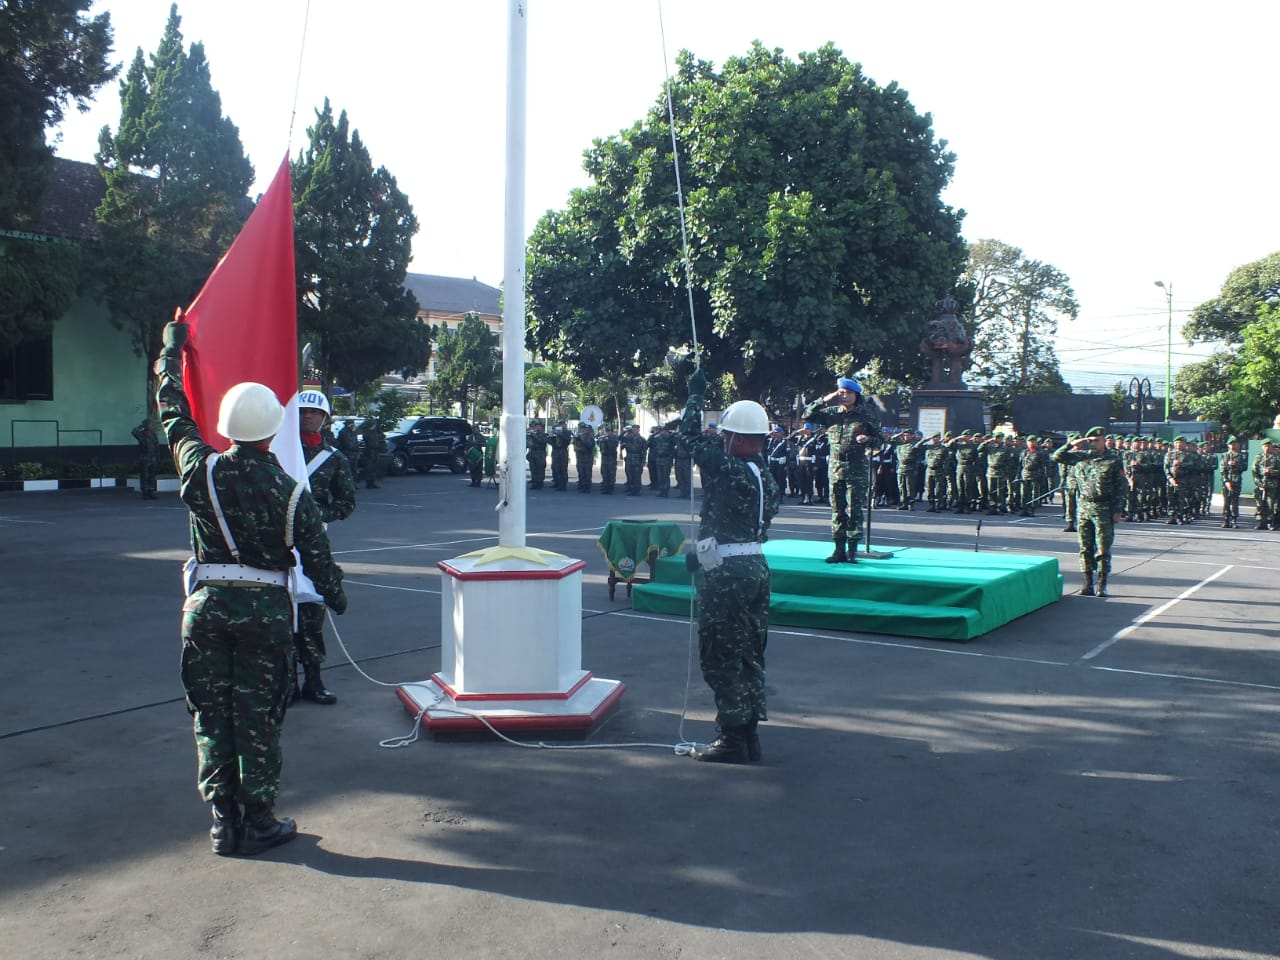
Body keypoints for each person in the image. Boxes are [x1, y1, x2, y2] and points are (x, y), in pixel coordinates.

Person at [154, 314, 346, 856]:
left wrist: (173, 350)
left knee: (212, 714)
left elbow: (173, 411)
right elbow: (319, 560)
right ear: (272, 429)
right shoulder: (290, 491)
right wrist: (336, 596)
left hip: (208, 607)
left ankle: (222, 820)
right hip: (263, 612)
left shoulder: (201, 470)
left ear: (227, 425)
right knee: (258, 716)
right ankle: (258, 819)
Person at [680, 368, 780, 763]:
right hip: (754, 565)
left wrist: (694, 397)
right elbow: (734, 535)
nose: (720, 441)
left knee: (720, 652)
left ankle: (733, 737)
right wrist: (700, 556)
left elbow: (687, 439)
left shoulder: (729, 468)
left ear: (738, 438)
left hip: (729, 576)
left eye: (725, 435)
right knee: (749, 651)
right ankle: (748, 732)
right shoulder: (765, 476)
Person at [293, 390, 357, 706]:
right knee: (279, 612)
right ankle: (285, 681)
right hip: (276, 541)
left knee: (311, 612)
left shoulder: (335, 459)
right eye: (303, 411)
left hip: (312, 544)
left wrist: (319, 514)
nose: (308, 416)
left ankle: (314, 680)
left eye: (315, 413)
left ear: (325, 419)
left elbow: (346, 503)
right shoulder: (281, 451)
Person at [803, 377, 884, 563]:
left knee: (855, 509)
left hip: (856, 467)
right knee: (837, 510)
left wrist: (868, 440)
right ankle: (838, 549)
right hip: (835, 467)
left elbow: (880, 438)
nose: (844, 396)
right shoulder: (832, 413)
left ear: (856, 395)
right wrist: (825, 399)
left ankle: (852, 551)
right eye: (841, 392)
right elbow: (807, 416)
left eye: (848, 393)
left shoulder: (867, 415)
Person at [1052, 426, 1129, 597]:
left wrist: (1118, 510)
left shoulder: (1114, 459)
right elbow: (1057, 457)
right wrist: (1072, 444)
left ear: (1104, 441)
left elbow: (1121, 487)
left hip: (1104, 508)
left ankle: (1102, 584)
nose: (1094, 444)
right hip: (1084, 507)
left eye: (1097, 440)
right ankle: (1087, 583)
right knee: (1085, 547)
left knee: (1102, 548)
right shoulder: (1081, 457)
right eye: (1091, 441)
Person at [1219, 436, 1247, 528]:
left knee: (1235, 501)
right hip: (1226, 482)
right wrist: (1226, 481)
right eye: (1231, 444)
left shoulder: (1241, 456)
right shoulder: (1225, 456)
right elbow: (1222, 470)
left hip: (1236, 481)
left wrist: (1236, 465)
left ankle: (1234, 520)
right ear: (1228, 445)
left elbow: (1244, 467)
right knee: (1226, 501)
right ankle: (1226, 519)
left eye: (1234, 444)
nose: (1233, 446)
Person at [1253, 437, 1280, 530]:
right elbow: (1254, 472)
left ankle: (1270, 522)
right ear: (1262, 447)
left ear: (1272, 446)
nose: (1267, 448)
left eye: (1268, 446)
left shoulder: (1277, 457)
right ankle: (1261, 522)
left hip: (1272, 484)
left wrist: (1271, 471)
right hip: (1261, 484)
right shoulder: (1258, 457)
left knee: (1270, 504)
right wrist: (1259, 484)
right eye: (1265, 446)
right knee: (1260, 504)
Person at [132, 417, 161, 499]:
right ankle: (145, 492)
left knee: (152, 475)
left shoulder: (153, 435)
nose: (151, 426)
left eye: (151, 424)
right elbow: (133, 431)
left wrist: (158, 458)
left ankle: (151, 491)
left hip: (152, 458)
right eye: (149, 424)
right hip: (144, 458)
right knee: (145, 476)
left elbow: (156, 447)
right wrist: (141, 426)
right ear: (145, 425)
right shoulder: (141, 434)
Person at [620, 423, 647, 496]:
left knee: (637, 475)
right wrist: (624, 432)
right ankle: (631, 488)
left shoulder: (642, 439)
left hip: (637, 458)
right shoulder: (628, 438)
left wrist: (643, 461)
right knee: (629, 474)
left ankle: (637, 490)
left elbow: (644, 451)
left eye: (635, 429)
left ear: (638, 430)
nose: (634, 430)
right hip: (629, 458)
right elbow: (621, 441)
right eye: (633, 429)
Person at [361, 419, 385, 489]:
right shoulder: (367, 432)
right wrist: (370, 430)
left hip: (375, 451)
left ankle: (373, 482)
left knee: (374, 468)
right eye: (374, 425)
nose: (375, 426)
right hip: (369, 451)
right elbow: (365, 438)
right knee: (369, 468)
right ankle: (368, 483)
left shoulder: (376, 432)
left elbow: (382, 436)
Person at [573, 422, 596, 493]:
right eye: (581, 429)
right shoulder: (579, 436)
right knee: (581, 472)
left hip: (587, 457)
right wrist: (576, 439)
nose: (583, 430)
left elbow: (589, 445)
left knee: (587, 473)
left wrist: (582, 439)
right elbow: (575, 444)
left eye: (584, 429)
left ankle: (587, 487)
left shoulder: (590, 437)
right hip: (580, 457)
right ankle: (582, 486)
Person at [526, 422, 550, 489]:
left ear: (542, 427)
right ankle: (534, 482)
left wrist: (534, 436)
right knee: (533, 468)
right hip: (533, 452)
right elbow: (528, 442)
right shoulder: (533, 434)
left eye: (538, 426)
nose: (537, 428)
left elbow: (542, 442)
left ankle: (540, 482)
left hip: (540, 453)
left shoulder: (544, 435)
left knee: (540, 468)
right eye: (536, 426)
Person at [597, 423, 619, 494]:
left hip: (611, 458)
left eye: (609, 431)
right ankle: (605, 487)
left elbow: (613, 446)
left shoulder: (614, 438)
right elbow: (598, 442)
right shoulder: (603, 438)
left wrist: (607, 439)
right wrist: (601, 434)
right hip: (604, 458)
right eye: (607, 431)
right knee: (604, 473)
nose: (608, 432)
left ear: (612, 432)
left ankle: (611, 488)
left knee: (611, 474)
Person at [550, 420, 571, 491]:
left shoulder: (567, 432)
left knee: (563, 468)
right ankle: (557, 483)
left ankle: (563, 485)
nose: (561, 426)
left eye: (563, 424)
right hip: (555, 451)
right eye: (560, 424)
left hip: (563, 451)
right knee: (556, 468)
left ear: (565, 425)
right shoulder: (555, 432)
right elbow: (550, 442)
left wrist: (560, 434)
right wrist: (552, 435)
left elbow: (568, 441)